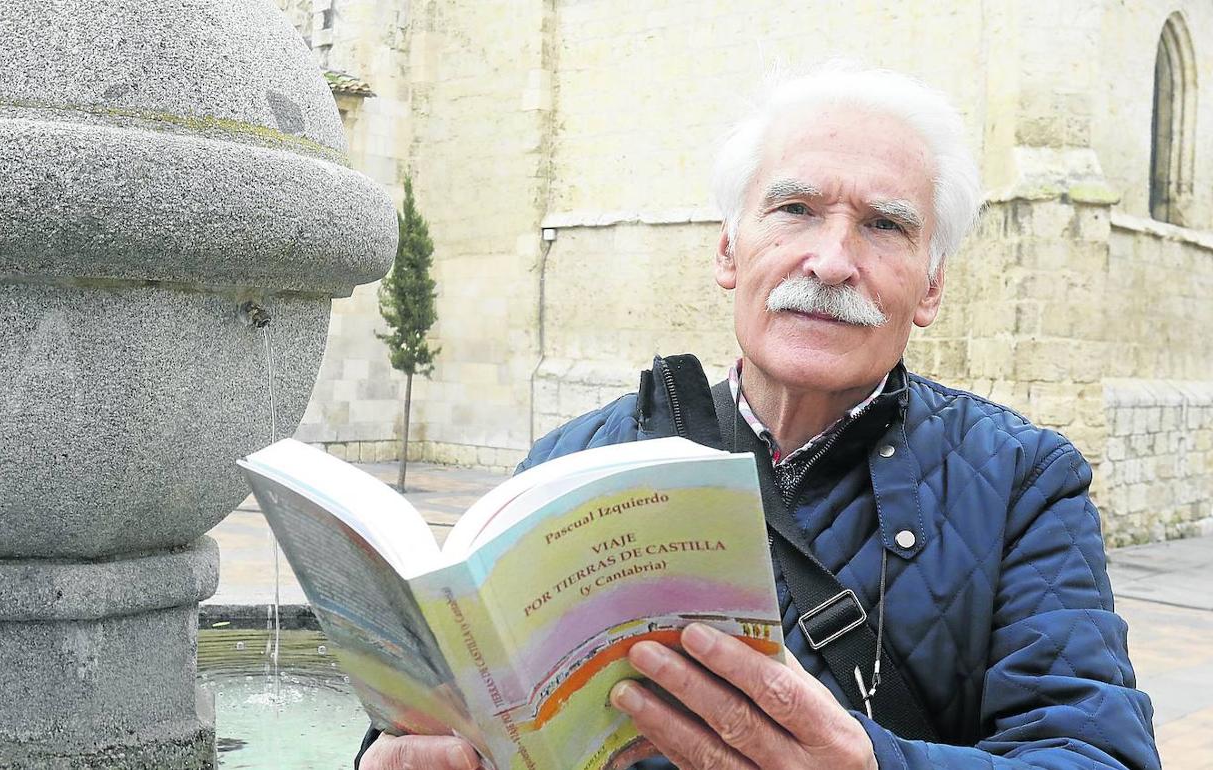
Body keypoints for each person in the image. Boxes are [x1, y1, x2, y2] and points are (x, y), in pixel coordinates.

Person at [357, 63, 1161, 770]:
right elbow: (458, 710)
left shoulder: (1023, 483)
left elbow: (1098, 754)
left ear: (931, 287)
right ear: (728, 252)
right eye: (795, 209)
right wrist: (402, 751)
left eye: (885, 225)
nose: (833, 260)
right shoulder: (575, 459)